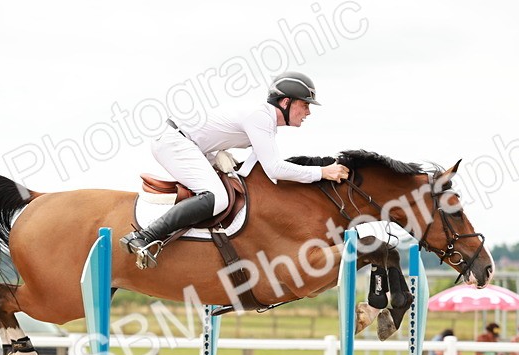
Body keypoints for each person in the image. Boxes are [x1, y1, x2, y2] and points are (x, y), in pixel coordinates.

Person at [120, 71, 350, 269]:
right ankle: (144, 237)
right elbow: (274, 168)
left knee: (226, 190)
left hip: (192, 145)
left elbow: (250, 171)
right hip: (175, 142)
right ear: (286, 102)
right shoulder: (261, 118)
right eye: (305, 104)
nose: (308, 112)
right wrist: (322, 172)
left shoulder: (265, 122)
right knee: (217, 198)